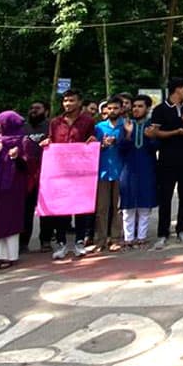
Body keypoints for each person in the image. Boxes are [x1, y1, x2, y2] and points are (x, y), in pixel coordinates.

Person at [40, 89, 97, 259]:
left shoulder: (88, 121)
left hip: (80, 172)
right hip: (61, 172)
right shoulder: (55, 122)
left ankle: (79, 241)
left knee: (81, 208)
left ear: (80, 103)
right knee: (62, 209)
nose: (68, 104)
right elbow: (51, 139)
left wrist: (92, 142)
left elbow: (91, 140)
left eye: (71, 100)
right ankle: (62, 243)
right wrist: (47, 143)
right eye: (65, 101)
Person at [0, 111, 36, 270]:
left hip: (13, 187)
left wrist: (16, 157)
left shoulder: (23, 140)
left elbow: (29, 165)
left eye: (0, 122)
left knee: (8, 219)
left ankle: (7, 255)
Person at [148, 77, 183, 249]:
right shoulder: (160, 109)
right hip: (167, 159)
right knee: (166, 196)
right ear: (176, 90)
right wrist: (176, 131)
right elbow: (155, 133)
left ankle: (182, 230)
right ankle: (162, 233)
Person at [120, 95, 159, 248]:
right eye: (134, 106)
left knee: (144, 204)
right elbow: (121, 148)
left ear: (147, 108)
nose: (136, 109)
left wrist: (151, 137)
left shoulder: (152, 126)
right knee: (127, 206)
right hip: (128, 169)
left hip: (147, 168)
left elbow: (156, 147)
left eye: (140, 106)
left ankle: (142, 236)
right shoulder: (126, 124)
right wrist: (128, 133)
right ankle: (129, 238)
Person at [94, 96, 126, 252]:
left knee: (117, 207)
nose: (112, 111)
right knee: (102, 208)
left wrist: (124, 137)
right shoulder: (99, 127)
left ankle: (115, 238)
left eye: (116, 108)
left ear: (121, 109)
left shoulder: (126, 126)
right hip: (103, 172)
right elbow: (92, 149)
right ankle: (100, 240)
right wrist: (102, 145)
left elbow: (130, 147)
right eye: (110, 108)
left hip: (121, 171)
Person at [21, 100, 49, 252]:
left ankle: (45, 241)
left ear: (46, 111)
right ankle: (23, 242)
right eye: (31, 108)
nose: (33, 111)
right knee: (26, 210)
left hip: (46, 174)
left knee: (46, 210)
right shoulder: (23, 128)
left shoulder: (50, 126)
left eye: (37, 108)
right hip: (27, 175)